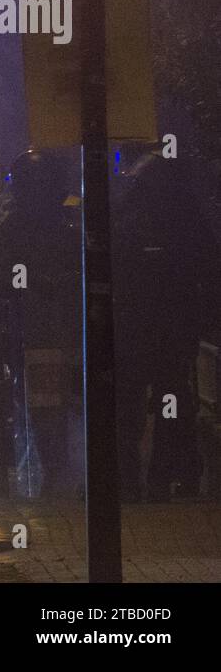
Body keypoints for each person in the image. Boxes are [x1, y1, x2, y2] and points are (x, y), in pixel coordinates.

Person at [114, 153, 221, 501]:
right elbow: (207, 269)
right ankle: (168, 474)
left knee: (131, 404)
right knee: (172, 402)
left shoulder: (129, 216)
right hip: (174, 328)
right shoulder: (187, 218)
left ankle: (130, 480)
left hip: (137, 326)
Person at [0, 149, 81, 498]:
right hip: (60, 330)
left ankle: (54, 472)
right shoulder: (69, 227)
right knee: (58, 405)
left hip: (33, 329)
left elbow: (0, 280)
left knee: (41, 406)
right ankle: (60, 471)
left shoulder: (12, 229)